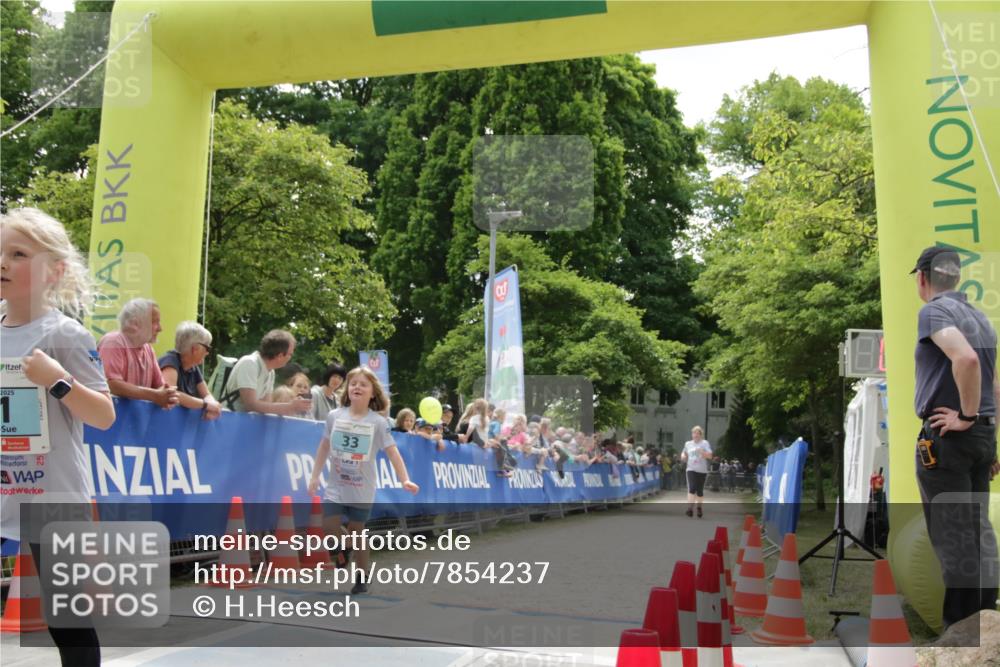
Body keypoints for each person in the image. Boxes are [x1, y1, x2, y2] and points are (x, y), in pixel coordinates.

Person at [1, 208, 117, 667]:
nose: (4, 262)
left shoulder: (65, 335)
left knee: (66, 619)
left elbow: (104, 415)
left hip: (50, 492)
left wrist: (58, 380)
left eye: (18, 253)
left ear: (55, 271)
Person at [910, 245, 999, 629]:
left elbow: (966, 360)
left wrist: (964, 416)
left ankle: (961, 638)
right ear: (957, 276)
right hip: (982, 438)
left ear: (923, 278)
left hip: (949, 440)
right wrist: (987, 431)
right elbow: (995, 387)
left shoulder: (935, 311)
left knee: (954, 538)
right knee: (978, 530)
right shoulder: (980, 318)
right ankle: (987, 626)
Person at [307, 366, 419, 594]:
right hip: (337, 484)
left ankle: (362, 576)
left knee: (358, 531)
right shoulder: (334, 416)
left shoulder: (378, 422)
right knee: (329, 525)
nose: (357, 387)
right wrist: (315, 475)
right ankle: (345, 546)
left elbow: (393, 452)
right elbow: (324, 446)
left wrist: (404, 479)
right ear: (347, 390)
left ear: (373, 393)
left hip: (361, 486)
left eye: (363, 384)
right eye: (353, 383)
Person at [97, 298, 179, 409]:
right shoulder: (113, 342)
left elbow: (160, 387)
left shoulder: (148, 349)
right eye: (155, 322)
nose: (160, 328)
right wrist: (155, 396)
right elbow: (111, 385)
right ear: (135, 323)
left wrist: (165, 395)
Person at [224, 329, 311, 415]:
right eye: (290, 354)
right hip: (229, 421)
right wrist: (290, 407)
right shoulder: (250, 363)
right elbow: (250, 405)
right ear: (280, 355)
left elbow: (267, 406)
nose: (291, 358)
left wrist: (294, 406)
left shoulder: (270, 371)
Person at [157, 320, 221, 420]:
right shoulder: (170, 361)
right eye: (207, 348)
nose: (208, 353)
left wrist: (213, 406)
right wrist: (205, 404)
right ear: (195, 348)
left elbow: (207, 394)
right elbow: (171, 394)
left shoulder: (193, 367)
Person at [681, 426, 712, 517]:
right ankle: (690, 509)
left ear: (701, 435)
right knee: (692, 488)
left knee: (700, 491)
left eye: (698, 434)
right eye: (694, 433)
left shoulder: (705, 443)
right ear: (692, 434)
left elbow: (710, 456)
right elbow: (684, 452)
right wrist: (683, 456)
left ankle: (699, 508)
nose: (696, 435)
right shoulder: (688, 444)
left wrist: (703, 453)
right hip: (691, 469)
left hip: (702, 470)